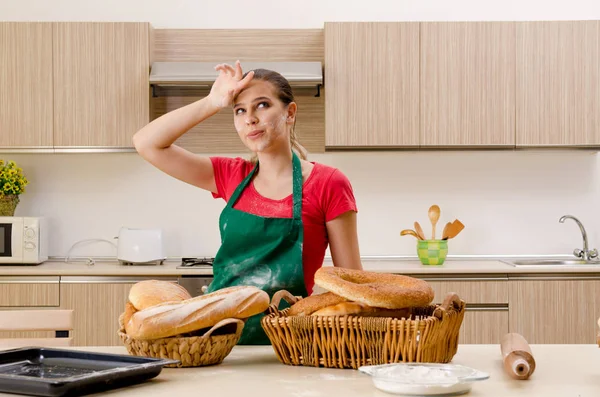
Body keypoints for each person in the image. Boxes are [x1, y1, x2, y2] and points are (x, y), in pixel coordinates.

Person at [132, 60, 363, 345]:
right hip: (218, 339)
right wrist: (212, 102)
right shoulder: (231, 175)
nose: (249, 118)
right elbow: (146, 143)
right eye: (240, 110)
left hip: (289, 342)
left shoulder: (328, 183)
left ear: (290, 113)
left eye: (262, 105)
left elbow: (351, 285)